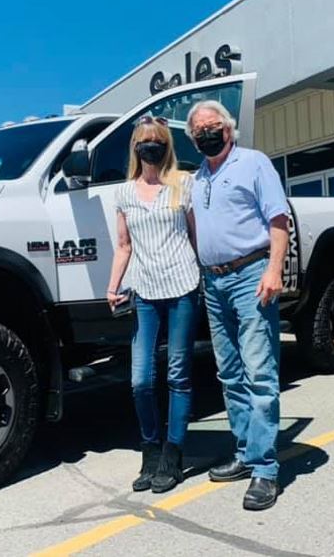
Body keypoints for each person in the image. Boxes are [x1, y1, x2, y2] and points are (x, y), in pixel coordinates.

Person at [185, 99, 289, 511]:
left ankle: (266, 469)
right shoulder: (196, 178)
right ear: (194, 139)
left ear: (229, 129)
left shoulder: (254, 163)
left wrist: (274, 270)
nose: (208, 133)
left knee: (260, 372)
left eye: (214, 126)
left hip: (252, 274)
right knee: (229, 373)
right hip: (214, 282)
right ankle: (245, 452)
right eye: (200, 130)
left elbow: (278, 219)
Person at [107, 114, 200, 494]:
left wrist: (210, 278)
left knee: (178, 374)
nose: (151, 146)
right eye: (144, 141)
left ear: (166, 146)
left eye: (157, 140)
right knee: (141, 379)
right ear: (136, 148)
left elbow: (196, 235)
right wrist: (113, 286)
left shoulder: (183, 184)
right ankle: (149, 450)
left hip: (182, 286)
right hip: (144, 291)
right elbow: (124, 245)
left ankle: (173, 455)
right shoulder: (124, 193)